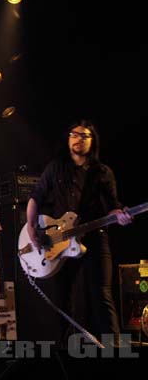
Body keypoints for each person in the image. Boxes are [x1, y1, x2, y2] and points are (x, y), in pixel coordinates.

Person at [26, 119, 132, 345]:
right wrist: (31, 227)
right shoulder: (55, 167)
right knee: (64, 297)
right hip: (61, 240)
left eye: (84, 136)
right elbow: (35, 197)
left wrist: (120, 216)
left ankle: (113, 349)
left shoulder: (102, 172)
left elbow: (113, 205)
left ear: (92, 142)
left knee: (101, 294)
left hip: (95, 235)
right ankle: (65, 353)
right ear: (68, 138)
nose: (78, 139)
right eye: (74, 134)